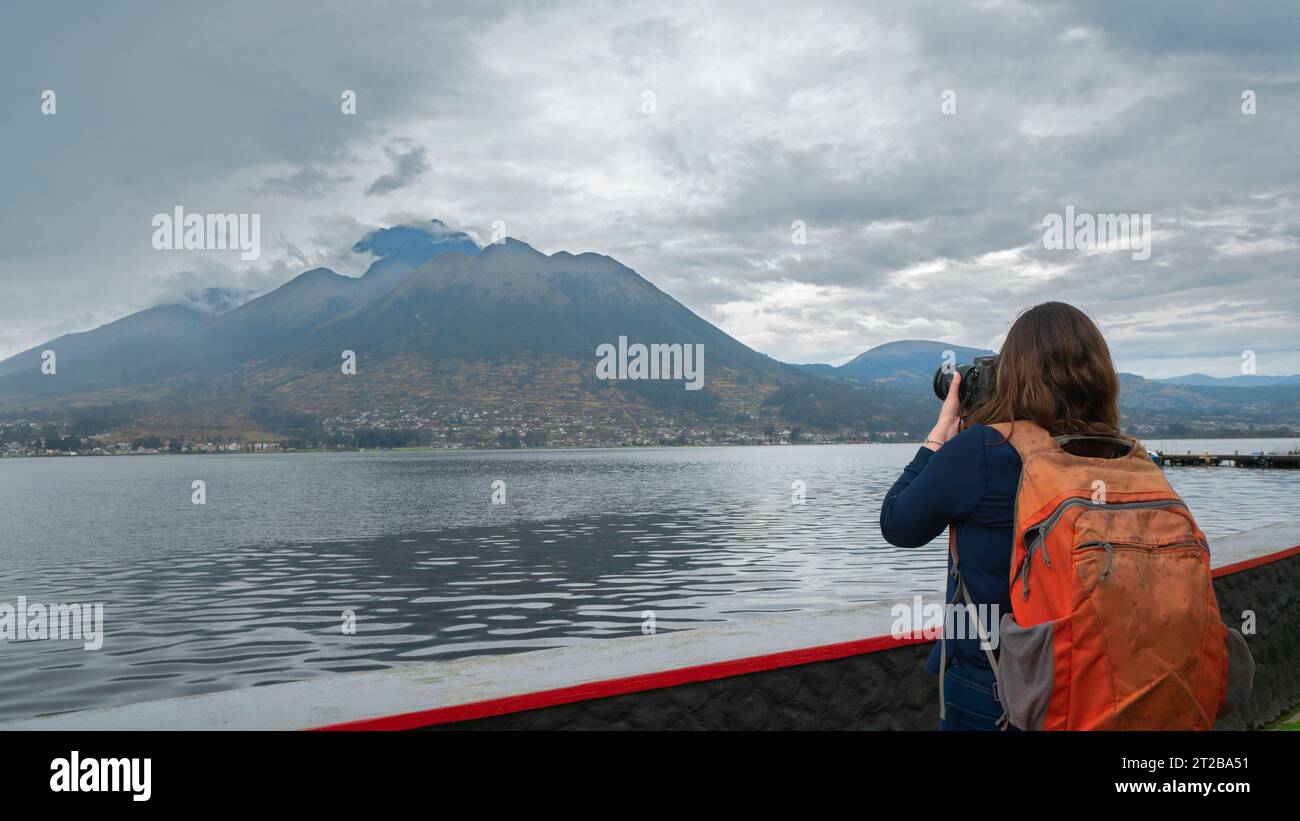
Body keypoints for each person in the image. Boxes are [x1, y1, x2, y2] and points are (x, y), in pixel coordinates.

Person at [878, 302, 1123, 730]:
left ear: (1015, 374)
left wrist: (940, 435)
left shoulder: (983, 453)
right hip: (1100, 682)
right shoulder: (1119, 455)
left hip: (996, 688)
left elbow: (898, 523)